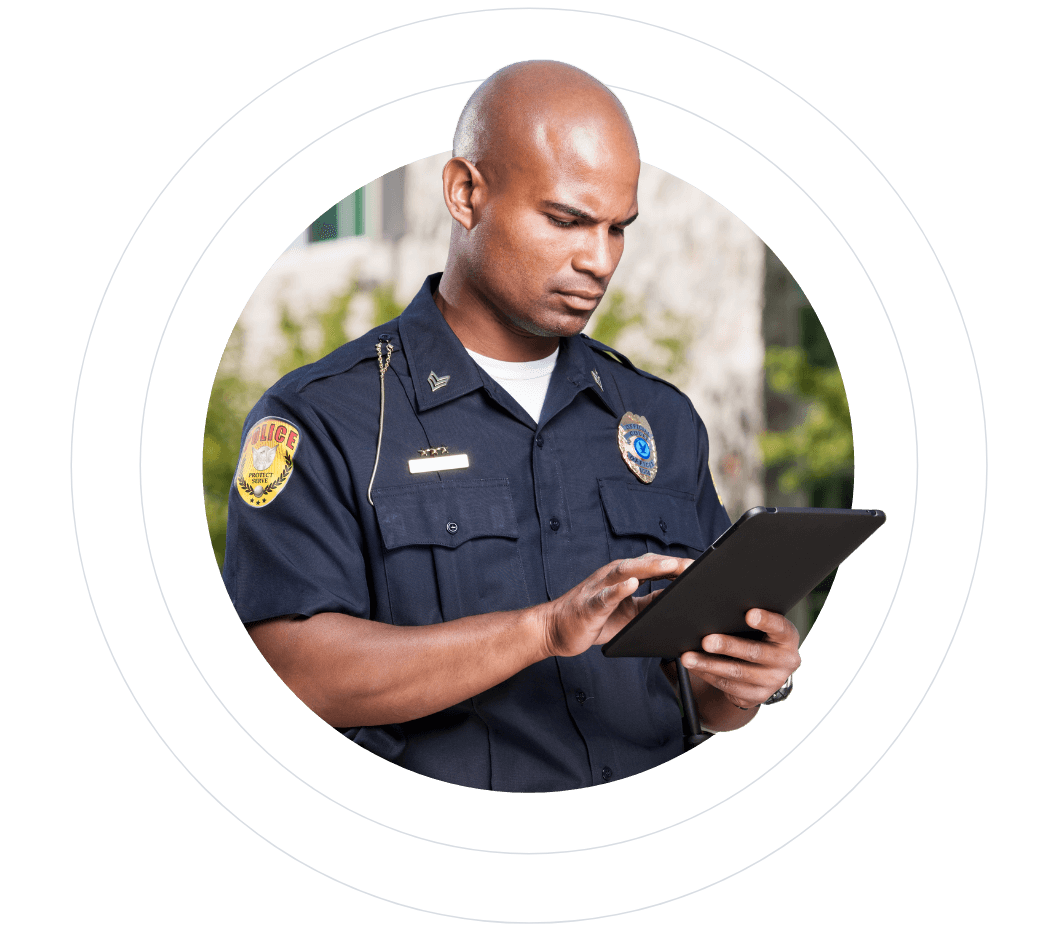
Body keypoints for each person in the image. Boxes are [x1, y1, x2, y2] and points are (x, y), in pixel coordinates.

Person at [222, 60, 801, 792]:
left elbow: (698, 693)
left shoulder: (659, 419)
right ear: (466, 193)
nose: (598, 259)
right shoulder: (323, 419)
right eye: (565, 220)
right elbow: (292, 675)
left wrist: (747, 683)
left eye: (617, 228)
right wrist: (542, 632)